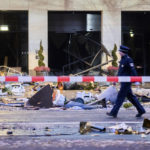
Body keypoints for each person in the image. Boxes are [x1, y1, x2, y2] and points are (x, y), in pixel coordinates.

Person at [106, 45, 146, 118]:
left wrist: (136, 80)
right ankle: (141, 110)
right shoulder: (122, 59)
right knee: (131, 97)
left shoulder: (128, 60)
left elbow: (133, 70)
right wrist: (116, 80)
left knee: (120, 97)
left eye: (120, 51)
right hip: (123, 81)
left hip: (126, 82)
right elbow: (120, 72)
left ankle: (114, 112)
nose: (119, 52)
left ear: (123, 52)